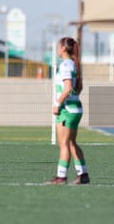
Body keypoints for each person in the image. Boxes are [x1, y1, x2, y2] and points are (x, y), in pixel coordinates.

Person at [45, 37, 89, 185]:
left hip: (67, 110)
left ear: (63, 48)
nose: (57, 49)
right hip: (76, 108)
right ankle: (83, 175)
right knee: (71, 143)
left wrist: (58, 103)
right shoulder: (74, 64)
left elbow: (68, 88)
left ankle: (61, 177)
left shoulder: (65, 65)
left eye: (58, 46)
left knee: (63, 144)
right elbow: (79, 88)